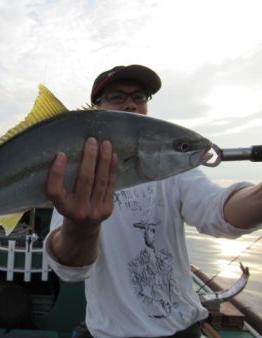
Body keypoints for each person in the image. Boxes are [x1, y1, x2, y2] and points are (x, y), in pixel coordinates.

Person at [43, 64, 262, 338]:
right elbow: (69, 267)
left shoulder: (172, 169)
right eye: (117, 97)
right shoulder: (76, 172)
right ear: (96, 109)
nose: (131, 105)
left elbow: (219, 212)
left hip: (182, 330)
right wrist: (81, 226)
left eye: (140, 96)